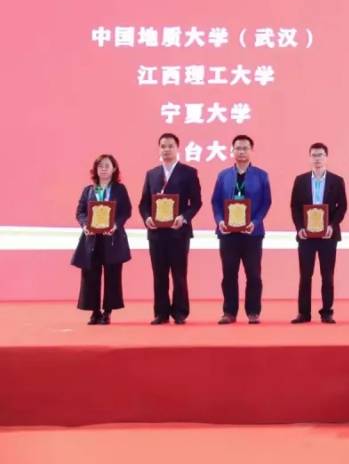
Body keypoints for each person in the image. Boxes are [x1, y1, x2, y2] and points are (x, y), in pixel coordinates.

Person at [138, 132, 202, 325]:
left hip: (178, 232)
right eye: (163, 146)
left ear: (177, 148)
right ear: (159, 149)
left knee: (179, 274)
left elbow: (196, 202)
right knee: (159, 274)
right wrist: (147, 218)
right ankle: (161, 313)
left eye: (170, 146)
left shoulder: (189, 172)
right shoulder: (152, 174)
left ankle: (180, 312)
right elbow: (143, 204)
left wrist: (184, 218)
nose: (166, 149)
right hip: (156, 233)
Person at [211, 135, 272, 324]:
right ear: (232, 151)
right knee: (229, 274)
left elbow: (266, 202)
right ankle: (229, 312)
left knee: (253, 274)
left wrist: (255, 221)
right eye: (238, 148)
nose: (241, 152)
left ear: (251, 150)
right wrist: (220, 221)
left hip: (252, 233)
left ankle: (253, 311)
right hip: (228, 233)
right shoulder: (223, 175)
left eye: (245, 148)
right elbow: (215, 201)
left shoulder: (261, 175)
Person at [290, 143, 347, 324]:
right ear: (310, 157)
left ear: (326, 157)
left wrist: (332, 225)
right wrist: (299, 227)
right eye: (314, 155)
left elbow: (342, 207)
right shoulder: (300, 180)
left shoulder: (337, 180)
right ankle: (303, 313)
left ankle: (327, 312)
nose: (317, 158)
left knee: (327, 275)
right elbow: (294, 206)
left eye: (320, 155)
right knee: (305, 275)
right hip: (306, 235)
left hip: (328, 235)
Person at [71, 154, 132, 325]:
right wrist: (85, 225)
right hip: (92, 239)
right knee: (90, 275)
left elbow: (126, 211)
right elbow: (80, 212)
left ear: (114, 169)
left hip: (112, 238)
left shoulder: (119, 189)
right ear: (95, 170)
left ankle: (107, 312)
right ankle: (94, 312)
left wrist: (116, 225)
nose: (103, 169)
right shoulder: (89, 190)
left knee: (112, 275)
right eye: (100, 166)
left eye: (107, 166)